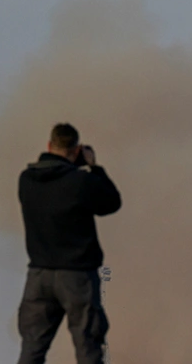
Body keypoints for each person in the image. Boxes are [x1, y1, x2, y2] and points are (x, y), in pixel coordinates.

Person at [17, 122, 122, 364]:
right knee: (88, 347)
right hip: (77, 277)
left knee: (32, 349)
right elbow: (111, 202)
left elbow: (52, 185)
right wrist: (95, 167)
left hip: (38, 276)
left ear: (48, 145)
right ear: (76, 150)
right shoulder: (80, 182)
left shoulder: (26, 180)